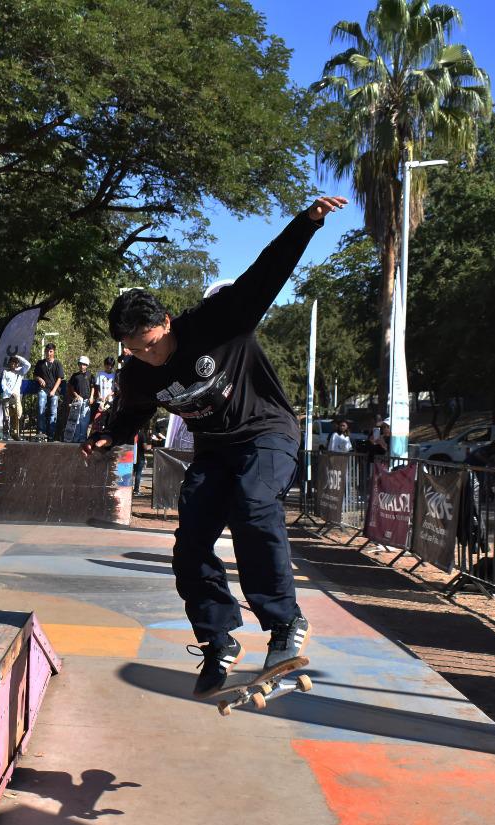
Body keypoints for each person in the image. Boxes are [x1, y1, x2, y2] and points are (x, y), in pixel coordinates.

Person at [85, 194, 348, 697]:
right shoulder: (139, 372)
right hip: (215, 451)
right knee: (190, 546)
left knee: (253, 504)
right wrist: (109, 435)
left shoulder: (220, 319)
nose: (147, 356)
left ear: (165, 322)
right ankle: (217, 639)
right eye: (135, 350)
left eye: (151, 344)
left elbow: (265, 272)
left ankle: (284, 623)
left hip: (268, 433)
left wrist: (307, 223)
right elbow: (135, 411)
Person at [33, 342, 64, 440]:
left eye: (50, 351)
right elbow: (35, 375)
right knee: (41, 408)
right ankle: (41, 432)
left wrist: (54, 391)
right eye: (47, 351)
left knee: (53, 412)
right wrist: (39, 379)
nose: (48, 353)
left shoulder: (57, 363)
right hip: (43, 389)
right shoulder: (40, 363)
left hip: (54, 391)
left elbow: (60, 378)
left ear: (53, 352)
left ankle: (51, 434)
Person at [65, 356, 94, 443]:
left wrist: (92, 397)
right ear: (78, 365)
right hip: (77, 401)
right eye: (81, 364)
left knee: (84, 420)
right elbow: (71, 387)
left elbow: (93, 387)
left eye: (84, 364)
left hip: (86, 400)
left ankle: (83, 438)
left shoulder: (90, 375)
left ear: (87, 365)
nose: (82, 366)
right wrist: (76, 395)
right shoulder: (75, 376)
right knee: (76, 419)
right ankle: (76, 438)